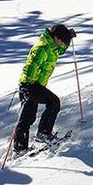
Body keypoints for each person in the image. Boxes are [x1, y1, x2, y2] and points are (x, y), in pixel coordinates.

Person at [13, 23, 76, 152]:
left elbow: (61, 50)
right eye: (62, 41)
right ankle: (39, 136)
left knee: (29, 117)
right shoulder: (41, 48)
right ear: (56, 37)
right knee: (52, 103)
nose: (62, 44)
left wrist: (69, 38)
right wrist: (26, 87)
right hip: (29, 85)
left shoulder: (52, 46)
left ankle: (23, 146)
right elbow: (30, 66)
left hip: (37, 85)